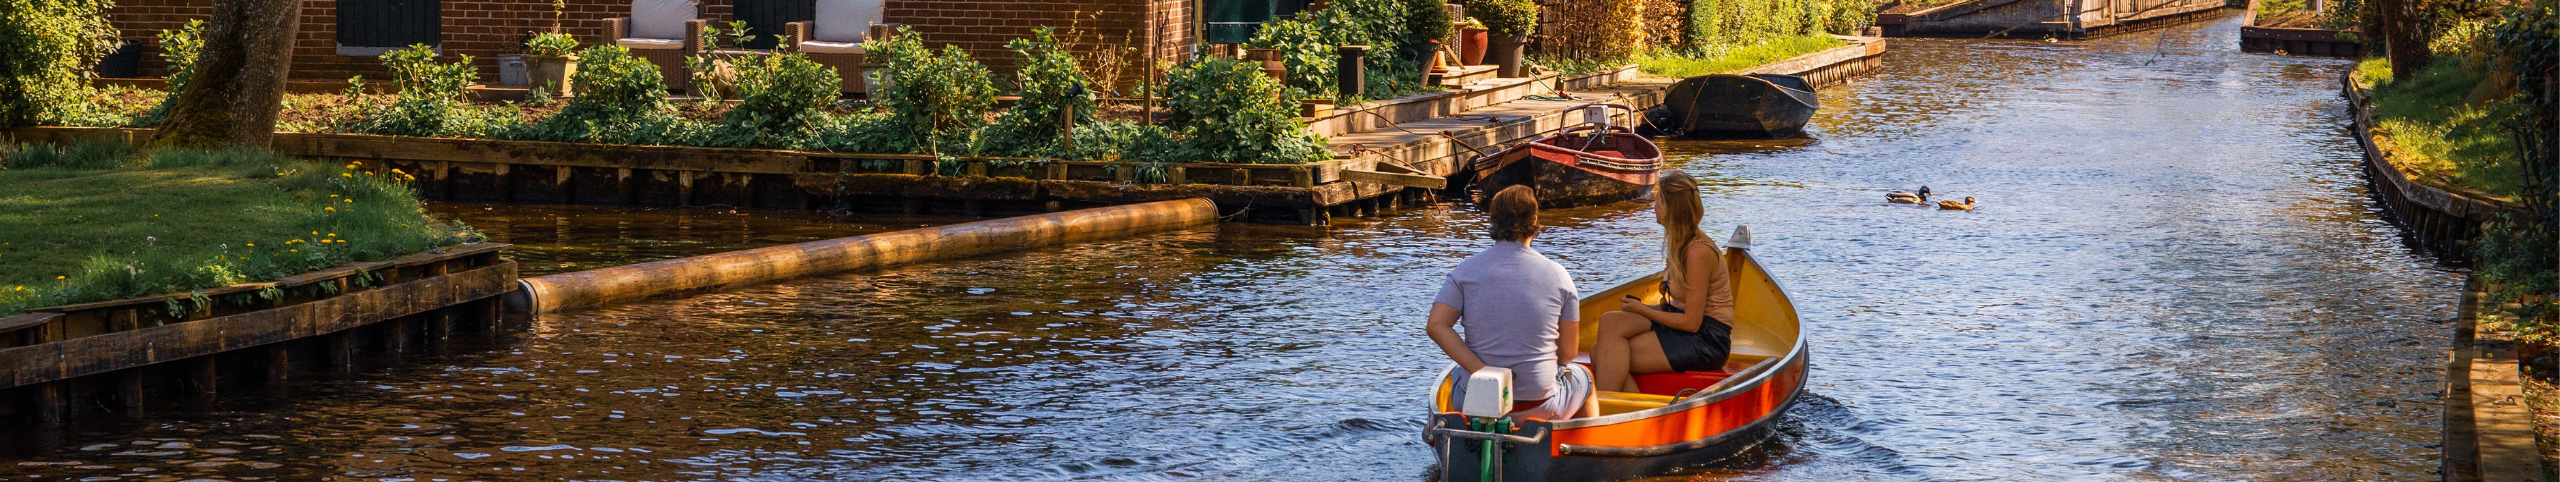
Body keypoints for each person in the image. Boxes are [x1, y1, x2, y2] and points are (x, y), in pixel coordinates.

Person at [1426, 186, 1599, 421]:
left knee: (1457, 372)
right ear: (1535, 220)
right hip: (1539, 405)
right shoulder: (1559, 276)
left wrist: (1483, 371)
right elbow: (1567, 354)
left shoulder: (1463, 272)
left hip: (1476, 402)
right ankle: (1579, 450)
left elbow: (1436, 325)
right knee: (1585, 380)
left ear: (1492, 221)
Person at [1590, 171, 1734, 393]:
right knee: (1610, 322)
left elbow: (1691, 322)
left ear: (1669, 207)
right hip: (1685, 324)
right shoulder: (1681, 243)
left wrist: (1642, 310)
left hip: (1707, 339)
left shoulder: (1698, 252)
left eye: (1657, 200)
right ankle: (1629, 411)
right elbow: (1679, 307)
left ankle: (1604, 409)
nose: (1653, 206)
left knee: (1604, 354)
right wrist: (1642, 309)